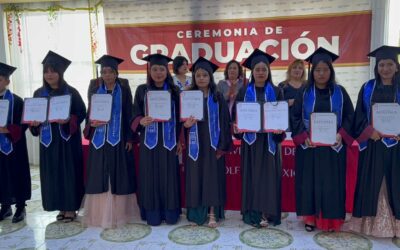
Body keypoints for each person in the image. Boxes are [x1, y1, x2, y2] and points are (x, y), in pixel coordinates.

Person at [291, 47, 354, 232]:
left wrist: (340, 134)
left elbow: (350, 116)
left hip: (333, 147)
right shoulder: (304, 91)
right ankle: (310, 218)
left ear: (331, 71)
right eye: (317, 70)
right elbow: (295, 117)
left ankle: (331, 221)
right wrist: (304, 137)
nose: (321, 73)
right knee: (309, 182)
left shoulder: (340, 92)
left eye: (325, 69)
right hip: (310, 146)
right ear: (312, 72)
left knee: (331, 184)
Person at [349, 45, 400, 238]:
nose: (385, 68)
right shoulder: (367, 87)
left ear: (396, 66)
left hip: (397, 146)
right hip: (373, 144)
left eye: (389, 64)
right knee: (370, 182)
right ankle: (369, 225)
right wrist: (369, 131)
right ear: (376, 67)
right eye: (381, 65)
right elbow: (358, 115)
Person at [30, 51, 86, 222]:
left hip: (67, 141)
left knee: (69, 173)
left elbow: (82, 113)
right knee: (53, 174)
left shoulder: (72, 92)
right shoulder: (39, 94)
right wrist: (34, 124)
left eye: (53, 71)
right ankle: (60, 207)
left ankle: (71, 208)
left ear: (60, 73)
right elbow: (34, 115)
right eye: (46, 71)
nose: (49, 75)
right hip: (49, 142)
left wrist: (69, 119)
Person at [232, 49, 285, 227]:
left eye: (264, 69)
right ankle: (253, 213)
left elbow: (282, 117)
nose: (261, 72)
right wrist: (237, 127)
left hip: (270, 142)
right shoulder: (243, 92)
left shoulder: (277, 91)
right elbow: (235, 117)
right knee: (252, 176)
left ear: (268, 71)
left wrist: (280, 130)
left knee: (269, 177)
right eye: (257, 69)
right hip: (251, 142)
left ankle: (268, 213)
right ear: (252, 72)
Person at [83, 55, 137, 229]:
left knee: (118, 174)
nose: (106, 75)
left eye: (110, 72)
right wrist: (91, 123)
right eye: (103, 72)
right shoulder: (94, 89)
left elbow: (129, 112)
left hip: (118, 137)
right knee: (100, 174)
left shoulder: (124, 89)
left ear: (116, 73)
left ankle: (119, 213)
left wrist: (129, 137)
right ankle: (99, 215)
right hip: (99, 139)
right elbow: (89, 112)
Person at [131, 54, 182, 226]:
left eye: (162, 69)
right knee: (150, 175)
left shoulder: (174, 91)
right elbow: (135, 113)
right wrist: (140, 120)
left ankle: (170, 213)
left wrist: (181, 140)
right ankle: (152, 213)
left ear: (167, 71)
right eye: (154, 69)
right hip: (149, 142)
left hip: (169, 142)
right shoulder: (141, 90)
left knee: (169, 176)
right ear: (149, 70)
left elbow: (181, 117)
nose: (158, 73)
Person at [183, 57, 232, 227]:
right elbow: (181, 122)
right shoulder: (188, 96)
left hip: (213, 144)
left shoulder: (217, 97)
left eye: (205, 75)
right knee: (195, 178)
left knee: (212, 178)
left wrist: (222, 147)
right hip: (195, 144)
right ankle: (197, 214)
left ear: (210, 77)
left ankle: (212, 212)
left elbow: (226, 123)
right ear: (194, 78)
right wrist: (185, 125)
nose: (201, 78)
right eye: (198, 75)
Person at [0, 62, 31, 223]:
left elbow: (23, 124)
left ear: (7, 81)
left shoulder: (17, 101)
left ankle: (20, 207)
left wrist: (7, 130)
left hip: (14, 147)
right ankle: (5, 207)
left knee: (17, 174)